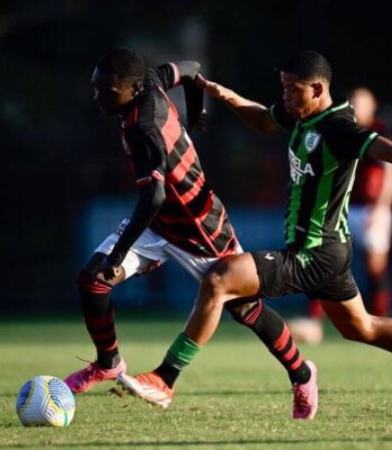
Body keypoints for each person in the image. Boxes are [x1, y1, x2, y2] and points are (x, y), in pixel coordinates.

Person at [118, 50, 392, 416]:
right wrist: (223, 95)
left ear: (316, 89)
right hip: (328, 251)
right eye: (282, 87)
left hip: (315, 253)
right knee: (362, 327)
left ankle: (165, 379)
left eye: (291, 89)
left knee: (220, 278)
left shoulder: (339, 126)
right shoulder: (300, 113)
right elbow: (263, 120)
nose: (284, 96)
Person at [63, 48, 318, 420]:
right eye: (96, 88)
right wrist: (196, 108)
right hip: (157, 224)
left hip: (199, 225)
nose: (98, 97)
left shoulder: (143, 128)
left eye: (107, 90)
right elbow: (193, 69)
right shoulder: (149, 80)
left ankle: (302, 374)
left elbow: (154, 195)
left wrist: (119, 254)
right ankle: (109, 363)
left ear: (132, 89)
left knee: (244, 307)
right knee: (92, 281)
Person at [289, 86, 392, 344]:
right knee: (325, 261)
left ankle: (380, 319)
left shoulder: (380, 132)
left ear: (373, 106)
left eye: (362, 102)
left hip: (372, 209)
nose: (357, 106)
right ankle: (314, 322)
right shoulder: (339, 127)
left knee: (375, 267)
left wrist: (382, 207)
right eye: (354, 101)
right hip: (343, 208)